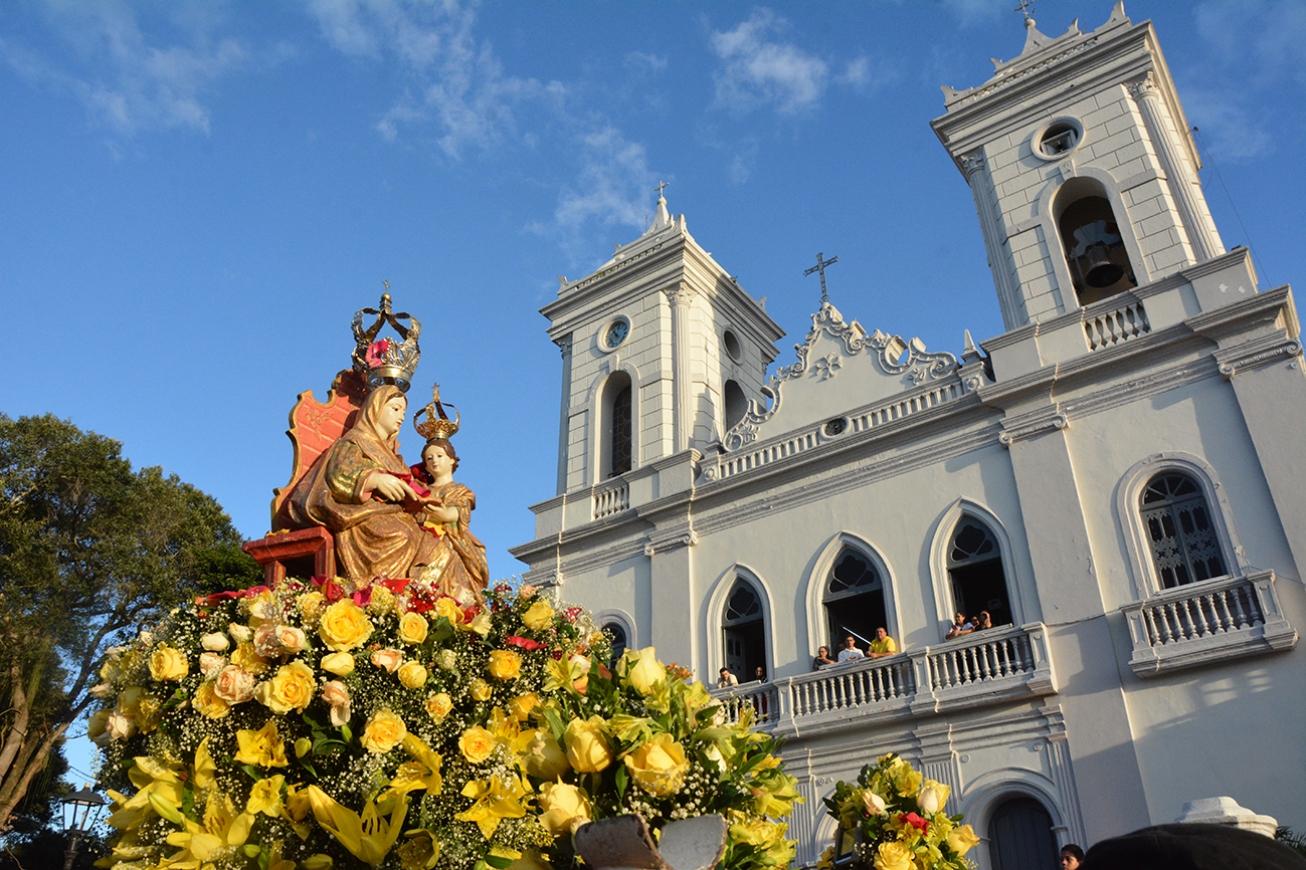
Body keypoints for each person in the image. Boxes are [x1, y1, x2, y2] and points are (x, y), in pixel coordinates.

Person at [286, 385, 441, 584]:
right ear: (375, 409)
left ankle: (417, 596)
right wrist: (374, 480)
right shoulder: (354, 441)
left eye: (403, 412)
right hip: (360, 514)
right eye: (395, 409)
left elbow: (410, 487)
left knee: (433, 546)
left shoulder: (396, 458)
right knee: (400, 535)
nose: (401, 417)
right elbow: (339, 474)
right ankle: (380, 591)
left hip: (394, 514)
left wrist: (421, 501)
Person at [410, 437, 489, 602]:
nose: (434, 461)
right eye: (429, 458)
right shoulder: (420, 489)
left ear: (452, 459)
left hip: (450, 538)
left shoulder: (460, 490)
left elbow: (457, 512)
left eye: (439, 456)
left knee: (451, 563)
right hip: (420, 538)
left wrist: (443, 513)